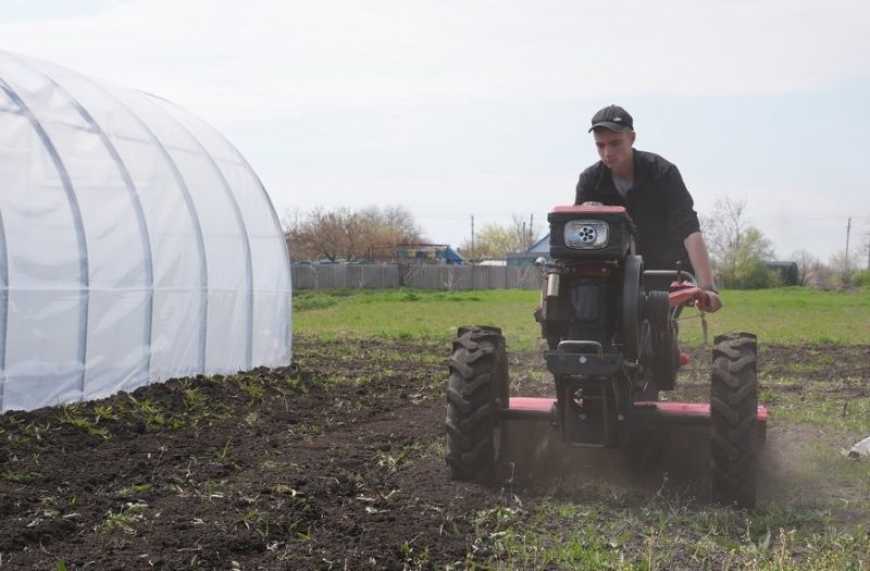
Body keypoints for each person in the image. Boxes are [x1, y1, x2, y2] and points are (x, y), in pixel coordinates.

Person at [575, 104, 722, 312]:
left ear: (632, 138)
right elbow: (576, 241)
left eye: (615, 143)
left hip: (664, 273)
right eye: (600, 145)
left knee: (656, 326)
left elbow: (689, 230)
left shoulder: (663, 173)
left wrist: (708, 288)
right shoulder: (590, 181)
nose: (607, 152)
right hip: (612, 275)